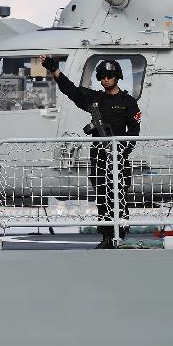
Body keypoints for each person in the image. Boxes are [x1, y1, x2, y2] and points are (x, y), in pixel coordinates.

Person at [40, 55, 141, 249]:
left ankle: (121, 236)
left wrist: (122, 151)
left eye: (109, 76)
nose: (106, 79)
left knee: (119, 196)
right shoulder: (95, 99)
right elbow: (71, 90)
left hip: (119, 157)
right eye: (102, 76)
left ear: (117, 77)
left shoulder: (128, 102)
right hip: (99, 157)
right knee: (102, 197)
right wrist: (55, 70)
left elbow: (134, 131)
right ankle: (106, 236)